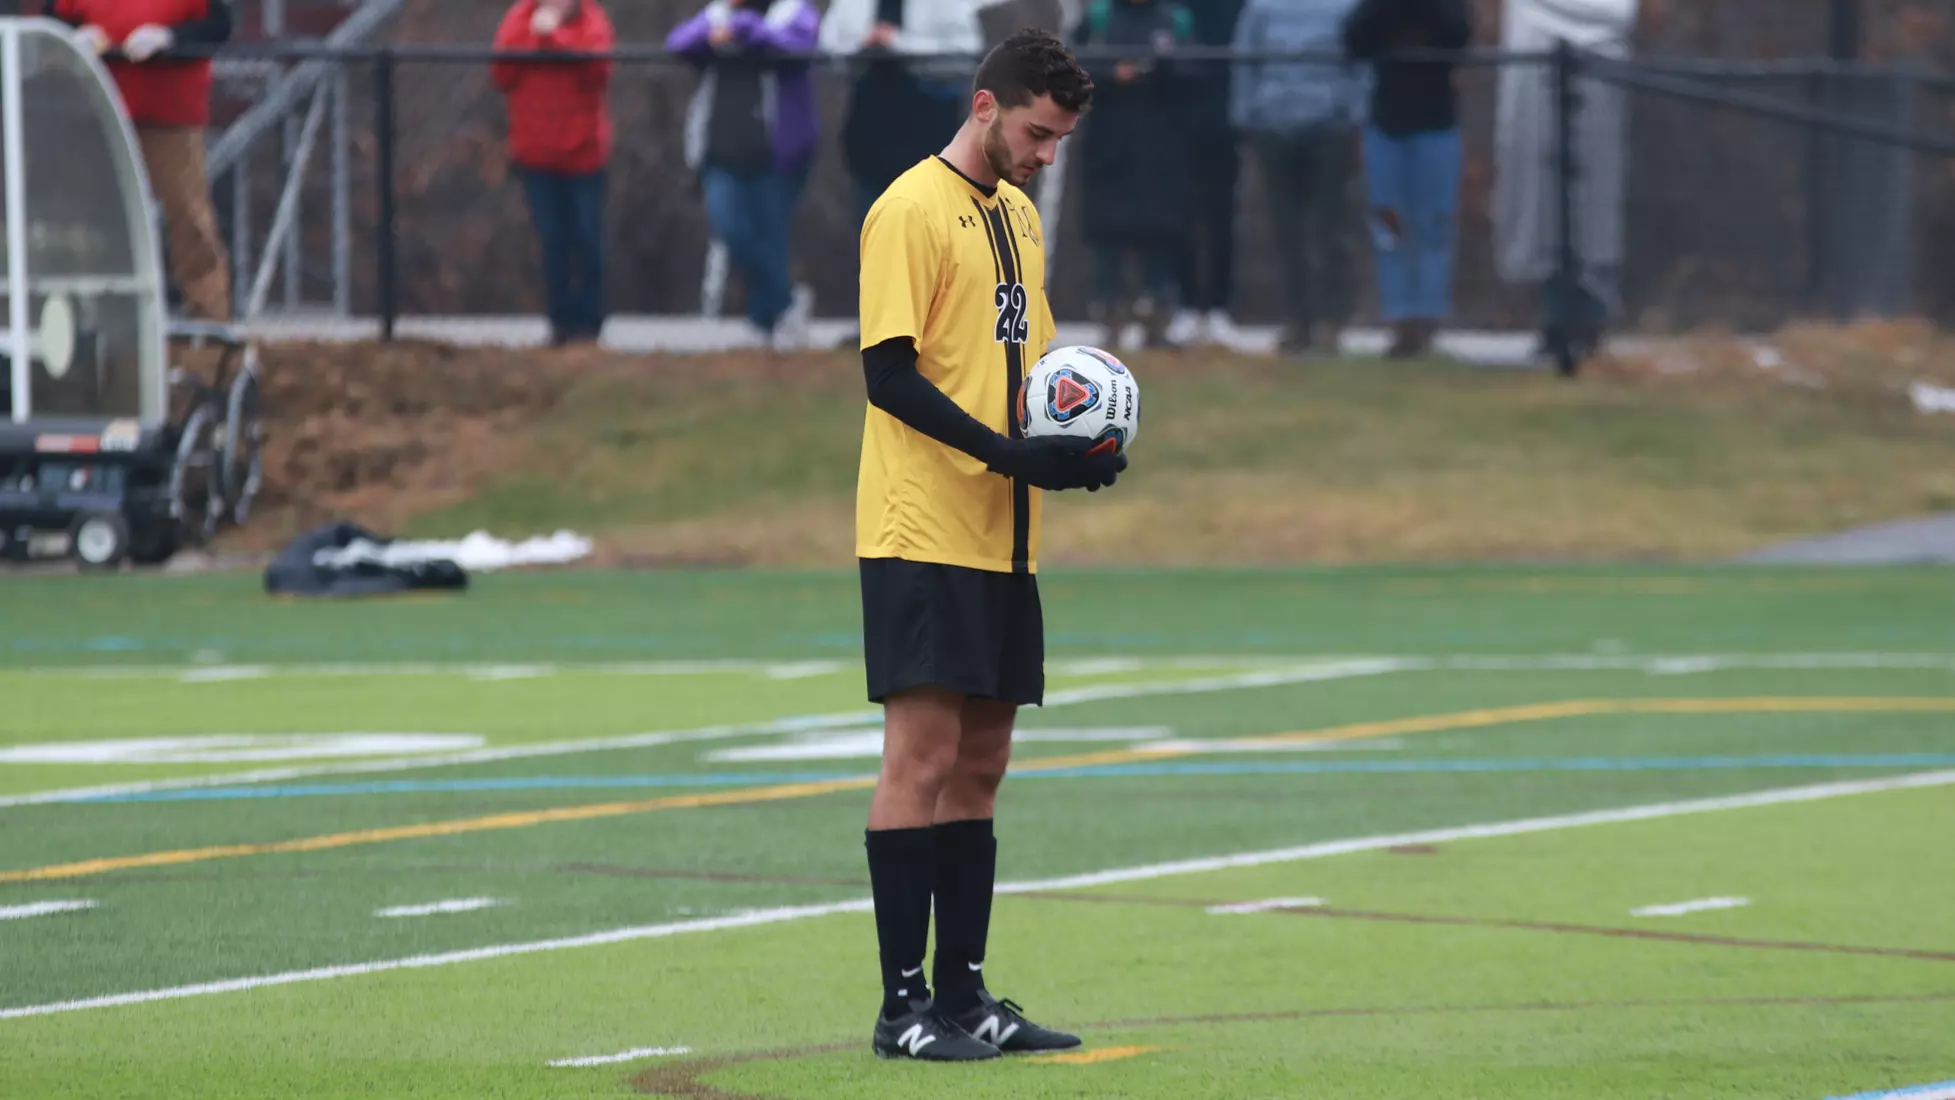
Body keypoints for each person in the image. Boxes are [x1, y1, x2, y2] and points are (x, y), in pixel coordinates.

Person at [854, 27, 1124, 1061]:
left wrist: (1074, 445)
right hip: (922, 528)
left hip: (1005, 540)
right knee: (919, 759)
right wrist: (1010, 456)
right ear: (984, 108)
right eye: (1036, 133)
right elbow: (889, 375)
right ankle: (901, 1008)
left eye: (1058, 141)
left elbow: (1028, 371)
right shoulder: (908, 208)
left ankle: (964, 997)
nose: (1045, 155)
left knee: (982, 764)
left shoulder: (1016, 214)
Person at [51, 0, 234, 323]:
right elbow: (52, 23)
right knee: (99, 218)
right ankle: (106, 321)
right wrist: (78, 36)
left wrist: (170, 38)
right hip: (100, 110)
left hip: (171, 114)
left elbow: (218, 26)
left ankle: (210, 321)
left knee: (188, 215)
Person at [667, 0, 822, 351]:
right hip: (721, 149)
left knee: (771, 238)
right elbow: (678, 42)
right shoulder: (719, 14)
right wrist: (713, 32)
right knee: (731, 230)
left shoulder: (794, 11)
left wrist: (744, 29)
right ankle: (786, 301)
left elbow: (795, 46)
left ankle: (763, 325)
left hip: (777, 151)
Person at [1232, 0, 1366, 357]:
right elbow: (1245, 62)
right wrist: (1246, 117)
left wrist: (1355, 117)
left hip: (1330, 127)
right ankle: (1297, 320)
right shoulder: (1261, 8)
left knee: (1332, 227)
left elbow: (1360, 64)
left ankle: (1330, 321)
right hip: (1273, 126)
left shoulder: (1347, 7)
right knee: (1285, 229)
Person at [1342, 0, 1471, 358]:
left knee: (1435, 223)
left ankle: (1429, 315)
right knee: (1388, 225)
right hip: (1386, 124)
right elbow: (1354, 41)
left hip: (1437, 124)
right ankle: (1399, 318)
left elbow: (1459, 39)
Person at [1073, 0, 1196, 350]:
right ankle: (1110, 314)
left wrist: (1159, 69)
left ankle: (1158, 316)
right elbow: (1068, 69)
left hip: (1161, 147)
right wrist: (1111, 74)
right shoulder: (1098, 19)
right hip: (1108, 145)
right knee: (1107, 233)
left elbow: (1195, 74)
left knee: (1160, 231)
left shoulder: (1175, 19)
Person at [492, 0, 616, 348]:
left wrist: (556, 38)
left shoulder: (591, 20)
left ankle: (588, 325)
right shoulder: (520, 17)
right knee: (552, 239)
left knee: (587, 238)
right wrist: (535, 35)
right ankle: (560, 323)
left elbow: (598, 73)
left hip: (584, 154)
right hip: (536, 154)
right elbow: (501, 73)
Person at [1170, 0, 1247, 350]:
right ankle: (1185, 305)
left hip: (1224, 123)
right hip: (1176, 123)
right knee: (1179, 216)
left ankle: (1219, 308)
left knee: (1222, 217)